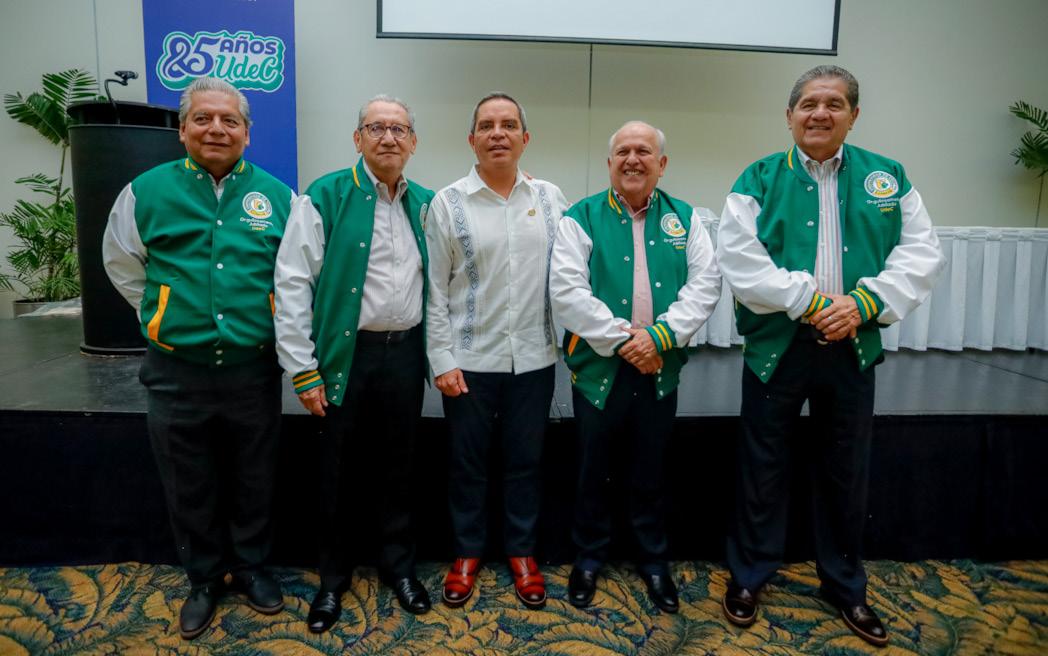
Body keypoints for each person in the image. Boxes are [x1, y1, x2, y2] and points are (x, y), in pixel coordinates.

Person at [716, 65, 946, 646]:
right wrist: (812, 302)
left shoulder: (887, 177)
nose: (820, 113)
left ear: (853, 115)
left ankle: (845, 585)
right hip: (778, 347)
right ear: (789, 115)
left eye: (834, 104)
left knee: (847, 470)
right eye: (809, 104)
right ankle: (750, 576)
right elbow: (740, 260)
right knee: (762, 467)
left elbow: (921, 253)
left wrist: (864, 304)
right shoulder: (758, 177)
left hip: (852, 345)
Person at [102, 76, 291, 640]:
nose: (216, 129)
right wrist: (165, 311)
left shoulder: (280, 197)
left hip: (252, 368)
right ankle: (204, 579)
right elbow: (123, 264)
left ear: (247, 133)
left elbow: (293, 277)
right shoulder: (145, 192)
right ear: (182, 129)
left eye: (230, 120)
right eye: (203, 119)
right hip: (175, 371)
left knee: (254, 477)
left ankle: (252, 568)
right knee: (188, 481)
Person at [273, 95, 434, 632]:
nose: (388, 138)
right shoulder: (324, 196)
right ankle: (332, 580)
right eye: (376, 127)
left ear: (413, 142)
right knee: (337, 471)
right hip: (346, 356)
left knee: (400, 467)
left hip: (405, 354)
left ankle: (399, 568)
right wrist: (302, 367)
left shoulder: (426, 203)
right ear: (357, 138)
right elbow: (292, 284)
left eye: (399, 129)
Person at [549, 120, 721, 613]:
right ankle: (588, 559)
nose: (632, 159)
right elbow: (567, 291)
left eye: (643, 151)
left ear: (661, 164)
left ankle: (653, 560)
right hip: (599, 370)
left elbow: (705, 285)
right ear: (609, 164)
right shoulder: (580, 217)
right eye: (623, 151)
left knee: (652, 469)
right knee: (592, 470)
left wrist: (659, 338)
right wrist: (628, 340)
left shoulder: (686, 219)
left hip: (659, 367)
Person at [425, 92, 568, 610]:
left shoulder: (551, 199)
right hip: (469, 363)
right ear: (472, 139)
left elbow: (568, 278)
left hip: (534, 359)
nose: (497, 134)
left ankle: (522, 553)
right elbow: (434, 290)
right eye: (487, 125)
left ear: (525, 138)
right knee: (468, 465)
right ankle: (466, 554)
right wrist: (441, 360)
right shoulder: (448, 203)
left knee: (526, 462)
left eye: (508, 125)